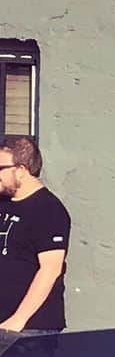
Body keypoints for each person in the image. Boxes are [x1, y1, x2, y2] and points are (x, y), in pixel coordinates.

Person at [0, 135, 70, 333]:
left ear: (21, 170)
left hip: (29, 329)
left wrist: (18, 320)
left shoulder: (48, 210)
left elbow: (50, 269)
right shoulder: (3, 202)